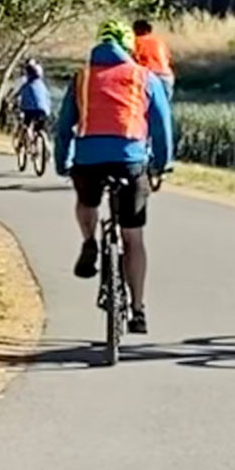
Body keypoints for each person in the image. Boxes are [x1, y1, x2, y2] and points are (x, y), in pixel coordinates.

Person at [55, 19, 173, 335]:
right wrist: (161, 165)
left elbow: (64, 126)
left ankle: (89, 240)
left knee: (86, 199)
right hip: (130, 160)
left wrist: (62, 163)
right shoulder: (144, 77)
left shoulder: (82, 77)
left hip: (88, 158)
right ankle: (137, 310)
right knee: (133, 238)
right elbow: (161, 126)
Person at [132, 19, 174, 100]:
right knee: (163, 107)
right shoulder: (159, 42)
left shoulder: (135, 42)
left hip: (148, 76)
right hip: (166, 76)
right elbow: (168, 59)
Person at [14, 58, 51, 133]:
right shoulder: (42, 85)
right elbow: (47, 96)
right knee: (39, 127)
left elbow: (19, 94)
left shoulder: (26, 85)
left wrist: (14, 100)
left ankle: (28, 137)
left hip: (29, 110)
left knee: (27, 124)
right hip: (44, 110)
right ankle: (42, 137)